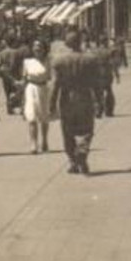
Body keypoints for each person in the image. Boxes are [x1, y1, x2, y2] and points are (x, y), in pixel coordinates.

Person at [48, 30, 104, 175]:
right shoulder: (90, 59)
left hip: (67, 99)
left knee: (67, 132)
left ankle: (73, 161)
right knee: (87, 129)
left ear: (67, 44)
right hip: (85, 97)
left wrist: (51, 103)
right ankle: (82, 151)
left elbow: (55, 84)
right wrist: (100, 101)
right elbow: (97, 83)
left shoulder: (59, 61)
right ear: (80, 41)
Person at [20, 39, 53, 154]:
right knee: (31, 117)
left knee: (44, 117)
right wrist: (19, 94)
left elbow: (52, 78)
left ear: (44, 49)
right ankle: (34, 143)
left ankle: (44, 141)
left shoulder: (48, 61)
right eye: (35, 46)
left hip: (44, 89)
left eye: (40, 46)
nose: (37, 48)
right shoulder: (27, 62)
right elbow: (24, 79)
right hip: (31, 89)